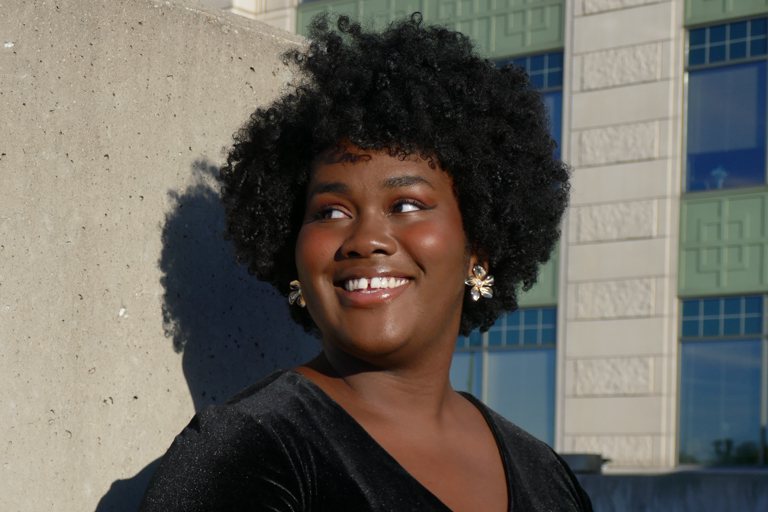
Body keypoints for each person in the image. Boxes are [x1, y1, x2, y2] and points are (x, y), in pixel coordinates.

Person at [139, 13, 593, 512]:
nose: (365, 239)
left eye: (406, 205)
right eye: (331, 211)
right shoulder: (250, 454)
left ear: (477, 249)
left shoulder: (546, 473)